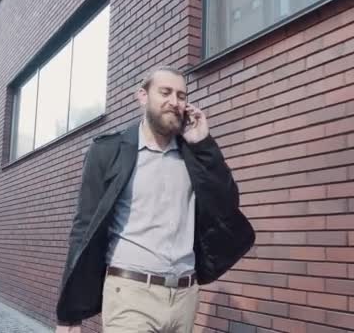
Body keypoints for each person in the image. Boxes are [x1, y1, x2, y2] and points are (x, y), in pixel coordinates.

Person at [55, 66, 255, 332]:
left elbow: (227, 205)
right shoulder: (108, 151)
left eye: (181, 95)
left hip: (185, 296)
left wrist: (203, 144)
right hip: (131, 293)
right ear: (142, 96)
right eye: (165, 92)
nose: (175, 101)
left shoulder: (193, 153)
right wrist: (69, 315)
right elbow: (83, 228)